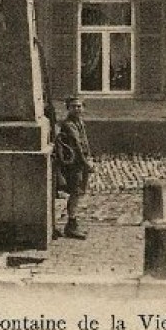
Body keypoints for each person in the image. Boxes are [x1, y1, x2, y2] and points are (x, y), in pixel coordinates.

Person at [55, 96, 95, 239]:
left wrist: (89, 157)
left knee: (78, 193)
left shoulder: (79, 122)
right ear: (68, 108)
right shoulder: (69, 124)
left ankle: (72, 223)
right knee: (75, 192)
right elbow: (77, 146)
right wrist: (86, 163)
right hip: (74, 164)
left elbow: (85, 143)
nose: (77, 109)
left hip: (80, 163)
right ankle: (71, 225)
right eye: (73, 106)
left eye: (79, 106)